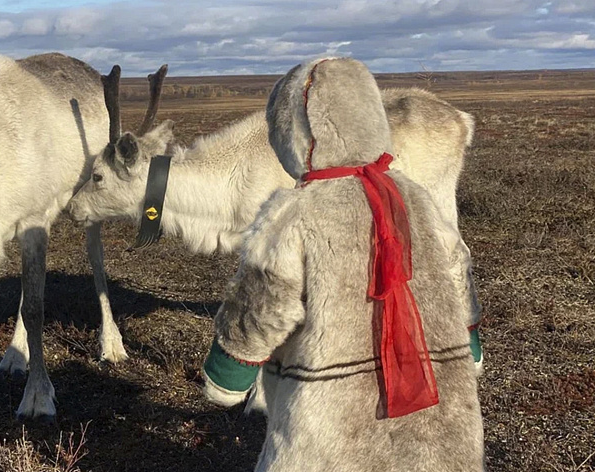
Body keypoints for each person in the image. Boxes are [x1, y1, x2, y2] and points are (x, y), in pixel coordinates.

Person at [202, 58, 484, 471]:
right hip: (436, 418)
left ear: (289, 132)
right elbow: (458, 271)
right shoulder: (413, 197)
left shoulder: (291, 214)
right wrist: (469, 345)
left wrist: (227, 373)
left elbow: (262, 309)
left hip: (332, 426)